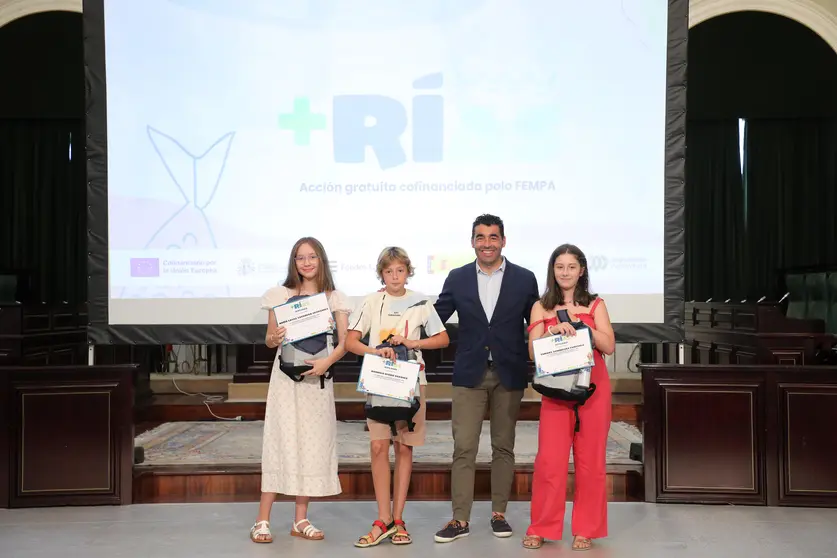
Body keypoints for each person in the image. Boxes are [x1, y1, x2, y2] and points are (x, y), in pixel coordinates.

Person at [432, 214, 540, 543]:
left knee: (503, 447)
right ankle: (460, 519)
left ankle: (499, 514)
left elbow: (537, 322)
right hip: (469, 373)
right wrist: (400, 302)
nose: (487, 243)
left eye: (493, 237)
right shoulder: (458, 277)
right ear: (472, 242)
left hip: (510, 372)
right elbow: (435, 317)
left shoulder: (524, 278)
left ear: (503, 241)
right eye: (481, 237)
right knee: (464, 447)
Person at [346, 247, 450, 548]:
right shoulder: (371, 301)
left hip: (412, 382)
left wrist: (412, 343)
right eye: (389, 271)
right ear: (381, 273)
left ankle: (399, 519)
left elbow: (443, 338)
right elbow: (351, 341)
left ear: (408, 272)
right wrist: (376, 351)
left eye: (400, 270)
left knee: (404, 448)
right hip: (379, 380)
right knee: (378, 446)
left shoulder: (421, 301)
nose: (394, 276)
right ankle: (383, 519)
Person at [249, 237, 351, 543]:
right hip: (285, 380)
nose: (306, 262)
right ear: (294, 262)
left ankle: (300, 519)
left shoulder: (335, 298)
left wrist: (325, 363)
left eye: (312, 257)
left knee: (312, 444)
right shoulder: (280, 295)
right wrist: (275, 336)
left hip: (318, 381)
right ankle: (262, 520)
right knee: (280, 440)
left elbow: (345, 342)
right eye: (300, 257)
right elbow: (269, 340)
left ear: (321, 260)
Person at [522, 244, 615, 551]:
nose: (565, 272)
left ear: (581, 270)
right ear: (553, 270)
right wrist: (551, 333)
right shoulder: (541, 306)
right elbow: (532, 352)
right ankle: (541, 527)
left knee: (590, 462)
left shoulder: (595, 304)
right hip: (556, 390)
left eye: (571, 267)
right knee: (549, 462)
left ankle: (585, 529)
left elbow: (609, 345)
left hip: (593, 389)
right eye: (560, 267)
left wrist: (583, 328)